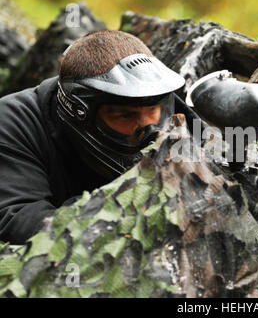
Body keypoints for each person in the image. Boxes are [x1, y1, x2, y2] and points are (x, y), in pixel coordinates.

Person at [0, 30, 191, 244]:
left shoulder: (178, 117)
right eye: (125, 115)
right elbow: (19, 221)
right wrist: (128, 209)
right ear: (81, 111)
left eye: (154, 109)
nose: (150, 130)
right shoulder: (13, 122)